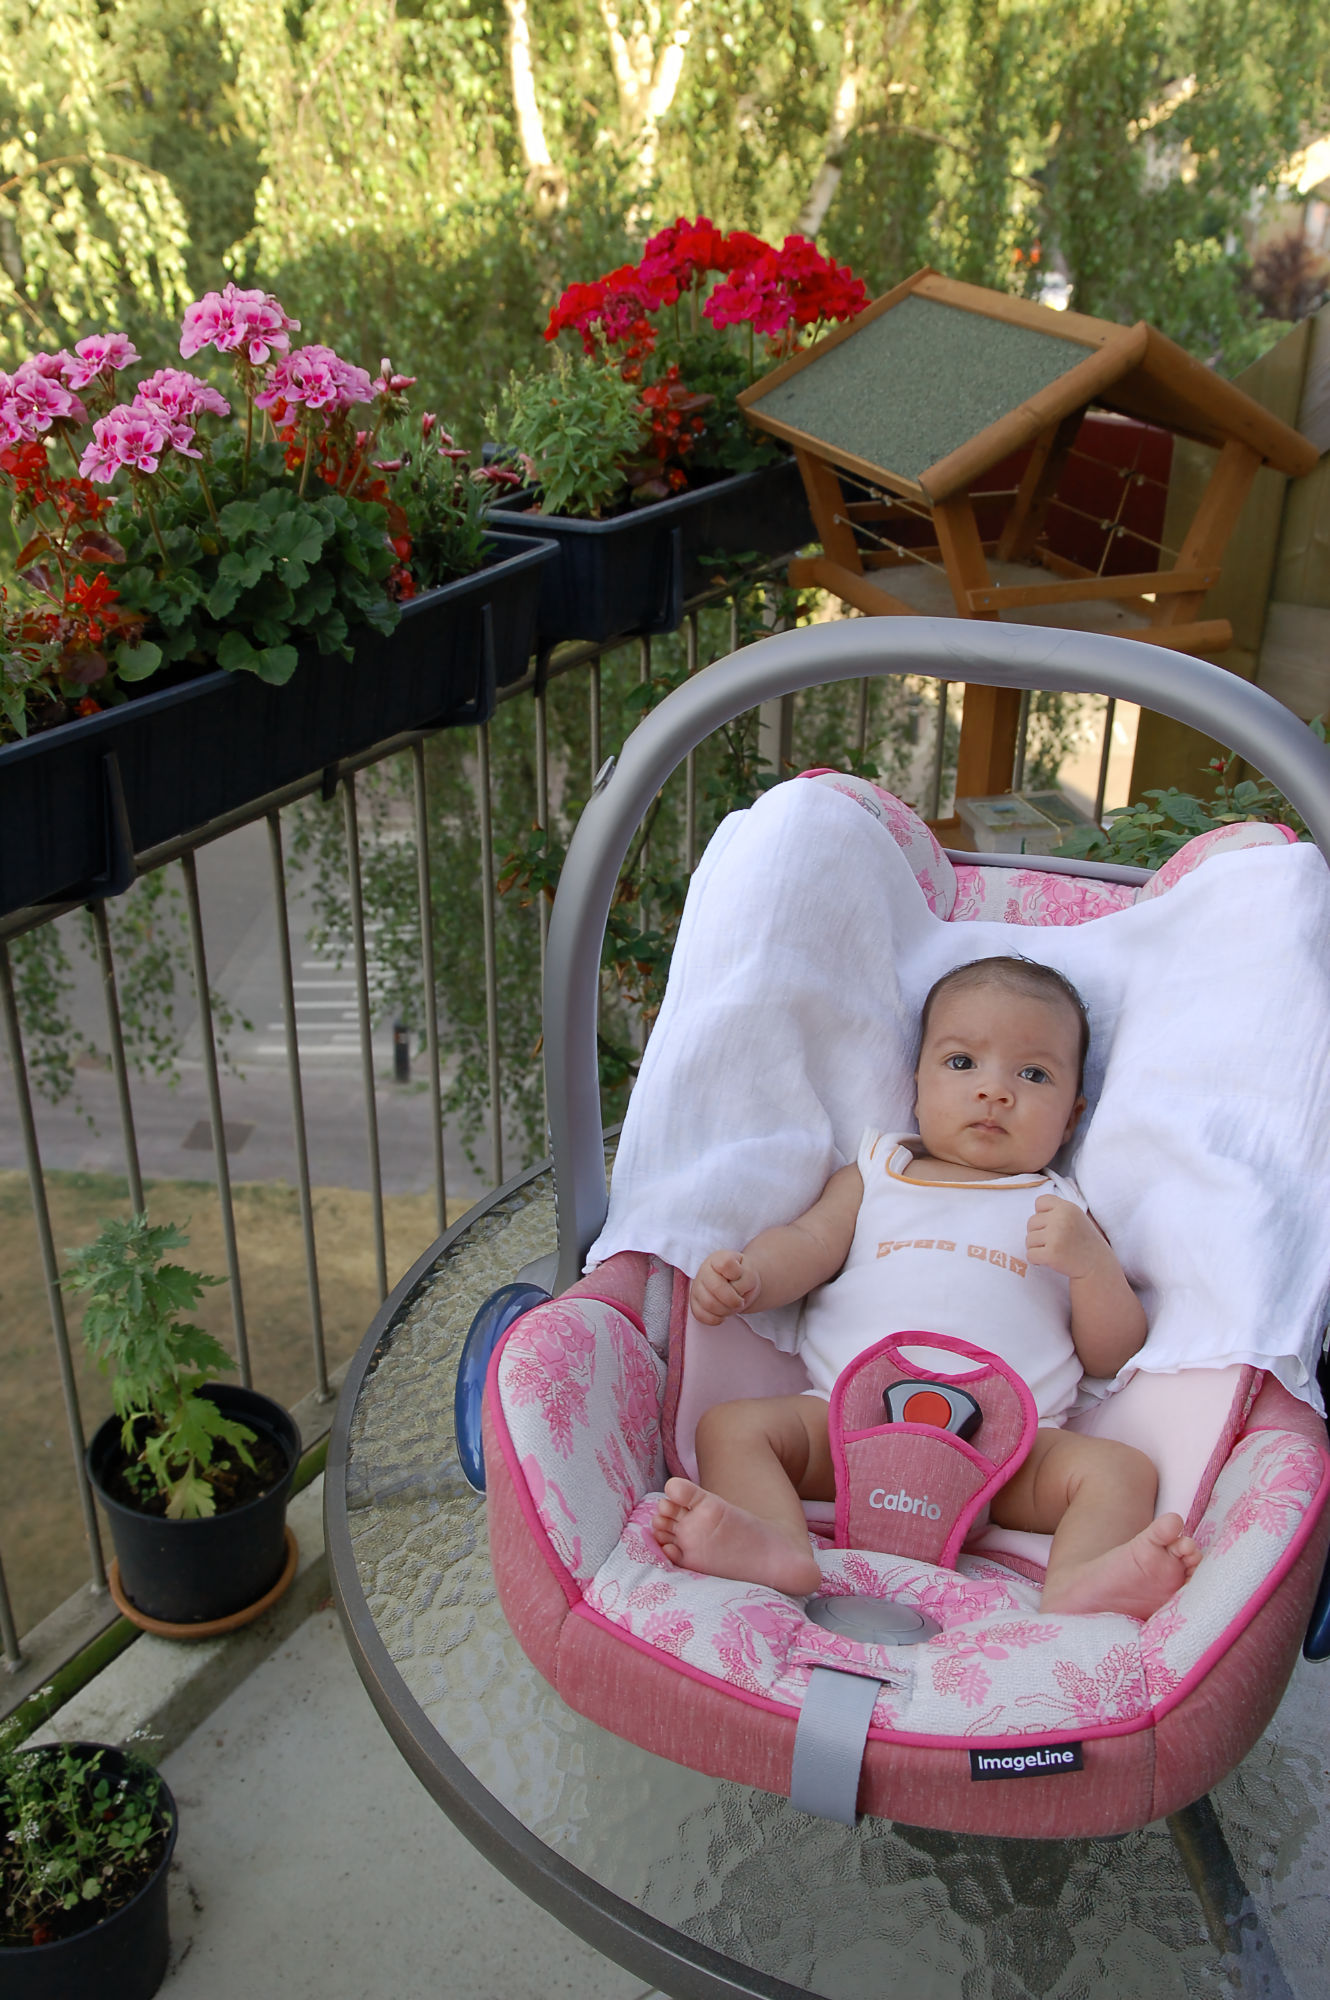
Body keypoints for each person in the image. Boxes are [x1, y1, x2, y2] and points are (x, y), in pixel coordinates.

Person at [651, 955, 1202, 1618]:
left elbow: (1112, 1355)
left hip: (1008, 1450)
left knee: (1120, 1472)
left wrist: (1090, 1267)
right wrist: (753, 1276)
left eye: (1033, 1074)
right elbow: (809, 1244)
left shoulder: (1065, 1209)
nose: (994, 1091)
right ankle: (773, 1541)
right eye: (963, 1062)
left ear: (1071, 1118)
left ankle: (1081, 1578)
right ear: (916, 1084)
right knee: (732, 1428)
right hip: (846, 1422)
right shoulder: (877, 1173)